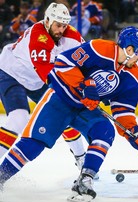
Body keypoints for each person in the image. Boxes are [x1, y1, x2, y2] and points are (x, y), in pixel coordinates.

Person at [0, 26, 138, 202]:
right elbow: (63, 62)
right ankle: (2, 176)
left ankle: (85, 181)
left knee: (105, 132)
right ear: (129, 49)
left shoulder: (133, 76)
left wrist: (133, 132)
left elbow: (123, 111)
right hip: (60, 99)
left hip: (86, 109)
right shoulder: (99, 48)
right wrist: (84, 86)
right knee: (34, 143)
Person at [0, 3, 87, 168]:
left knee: (64, 114)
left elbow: (88, 59)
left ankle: (81, 158)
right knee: (18, 119)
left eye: (64, 25)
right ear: (47, 21)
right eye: (57, 25)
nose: (61, 30)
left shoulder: (73, 36)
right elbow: (49, 76)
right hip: (11, 74)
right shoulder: (38, 35)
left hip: (36, 80)